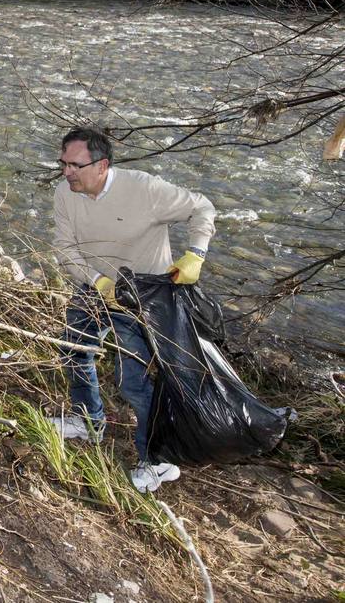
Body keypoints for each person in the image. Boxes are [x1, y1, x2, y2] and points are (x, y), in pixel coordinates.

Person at [50, 126, 217, 493]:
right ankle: (88, 420)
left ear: (103, 165)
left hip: (143, 296)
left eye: (75, 165)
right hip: (95, 286)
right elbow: (64, 248)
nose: (67, 173)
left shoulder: (145, 190)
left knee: (134, 382)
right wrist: (98, 283)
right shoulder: (66, 193)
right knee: (73, 349)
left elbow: (202, 207)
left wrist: (196, 255)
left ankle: (158, 461)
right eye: (63, 163)